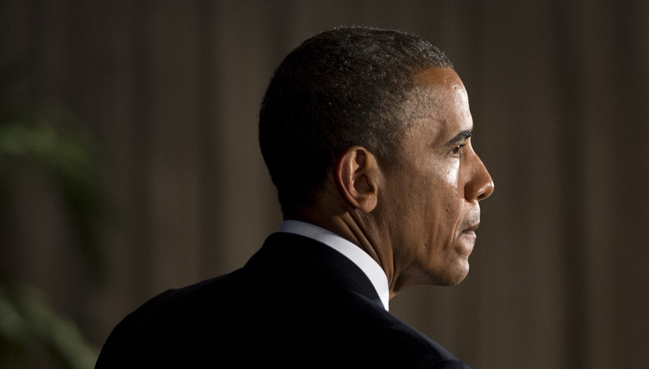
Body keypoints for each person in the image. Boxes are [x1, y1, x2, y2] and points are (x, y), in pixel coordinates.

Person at [95, 27, 494, 368]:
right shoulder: (415, 364)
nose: (483, 181)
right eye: (456, 149)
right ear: (359, 179)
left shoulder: (145, 332)